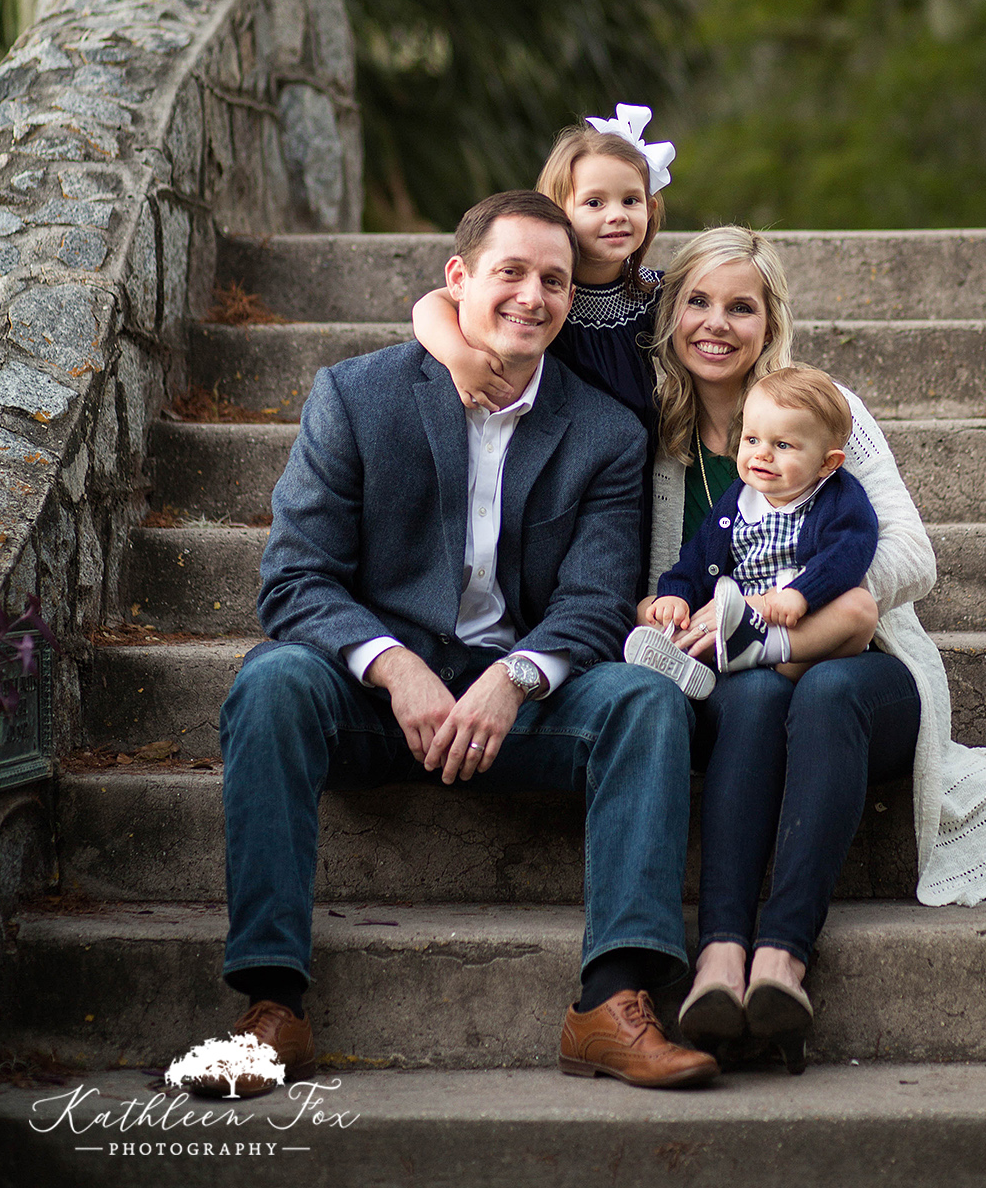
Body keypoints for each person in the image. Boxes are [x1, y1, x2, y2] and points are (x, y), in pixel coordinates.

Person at [200, 190, 719, 1097]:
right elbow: (294, 578)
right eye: (510, 273)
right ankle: (271, 1007)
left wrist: (515, 679)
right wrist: (393, 666)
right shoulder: (356, 396)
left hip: (524, 706)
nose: (532, 296)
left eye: (554, 281)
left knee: (645, 697)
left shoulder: (607, 432)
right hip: (372, 700)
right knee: (273, 682)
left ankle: (611, 1000)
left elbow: (597, 602)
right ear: (459, 279)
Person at [637, 227, 986, 1071]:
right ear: (670, 314)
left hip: (865, 675)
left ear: (770, 319)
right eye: (698, 302)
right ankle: (720, 958)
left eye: (741, 306)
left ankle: (783, 959)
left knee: (821, 693)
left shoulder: (825, 408)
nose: (717, 323)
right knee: (756, 696)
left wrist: (800, 610)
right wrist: (676, 613)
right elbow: (668, 577)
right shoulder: (657, 440)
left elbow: (911, 554)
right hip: (738, 684)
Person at [413, 104, 675, 583]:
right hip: (546, 447)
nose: (616, 216)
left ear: (650, 208)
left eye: (630, 201)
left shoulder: (654, 292)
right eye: (595, 203)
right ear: (559, 209)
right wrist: (458, 358)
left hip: (629, 460)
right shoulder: (543, 296)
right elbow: (431, 304)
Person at [628, 365, 879, 692]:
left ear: (826, 463)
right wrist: (677, 596)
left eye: (783, 445)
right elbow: (695, 558)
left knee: (861, 608)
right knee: (649, 608)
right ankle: (684, 652)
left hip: (795, 633)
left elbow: (846, 556)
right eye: (752, 439)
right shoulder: (736, 501)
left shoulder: (839, 499)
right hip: (729, 621)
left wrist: (801, 594)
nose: (762, 454)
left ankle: (759, 648)